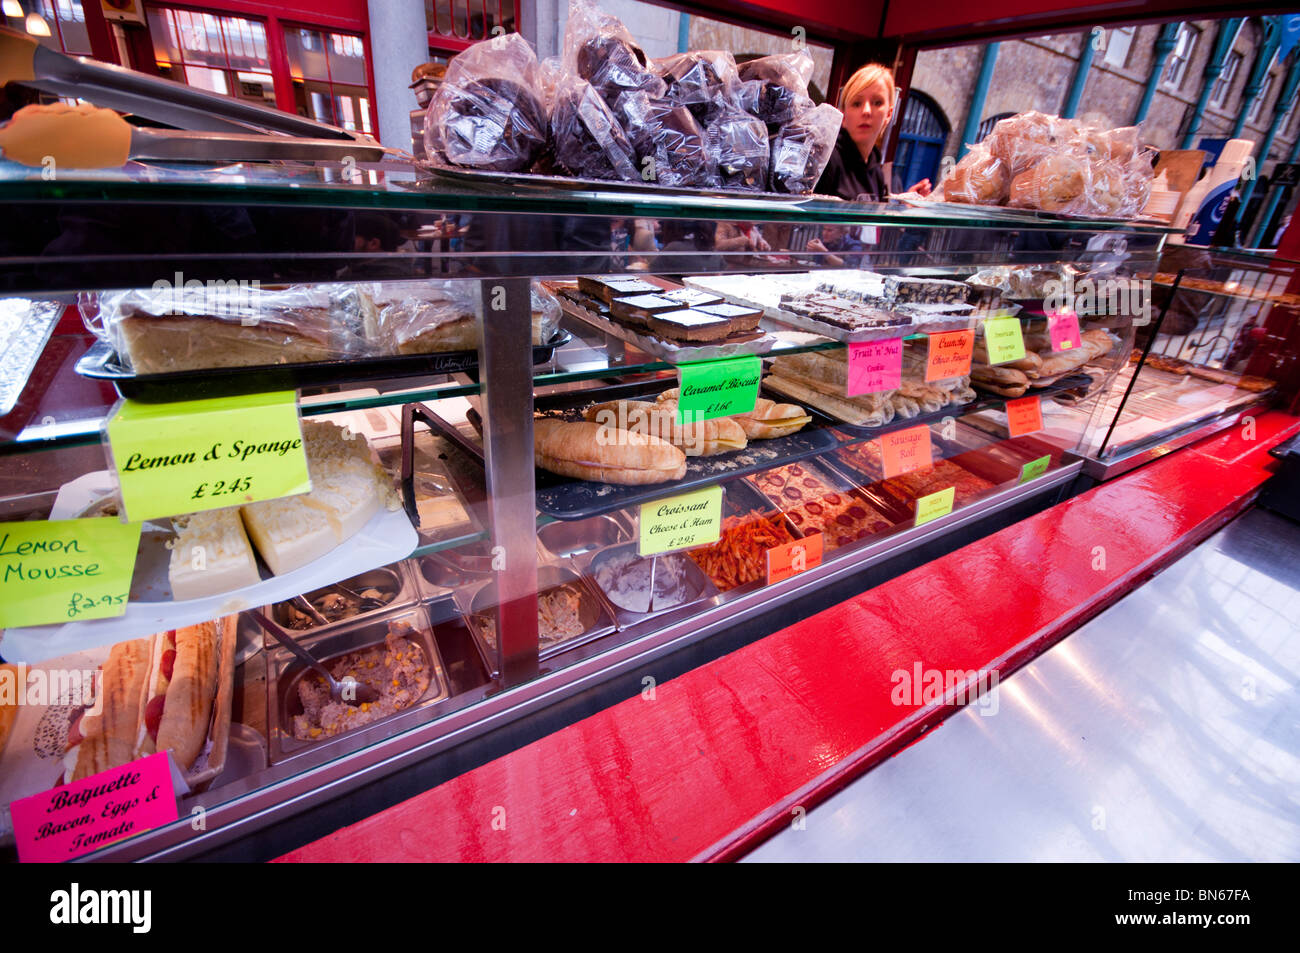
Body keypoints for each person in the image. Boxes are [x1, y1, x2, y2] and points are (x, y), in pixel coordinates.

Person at [814, 63, 932, 203]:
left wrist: (905, 206)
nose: (866, 111)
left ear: (888, 114)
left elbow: (875, 223)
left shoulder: (876, 171)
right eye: (857, 103)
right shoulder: (826, 159)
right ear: (843, 115)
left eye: (877, 102)